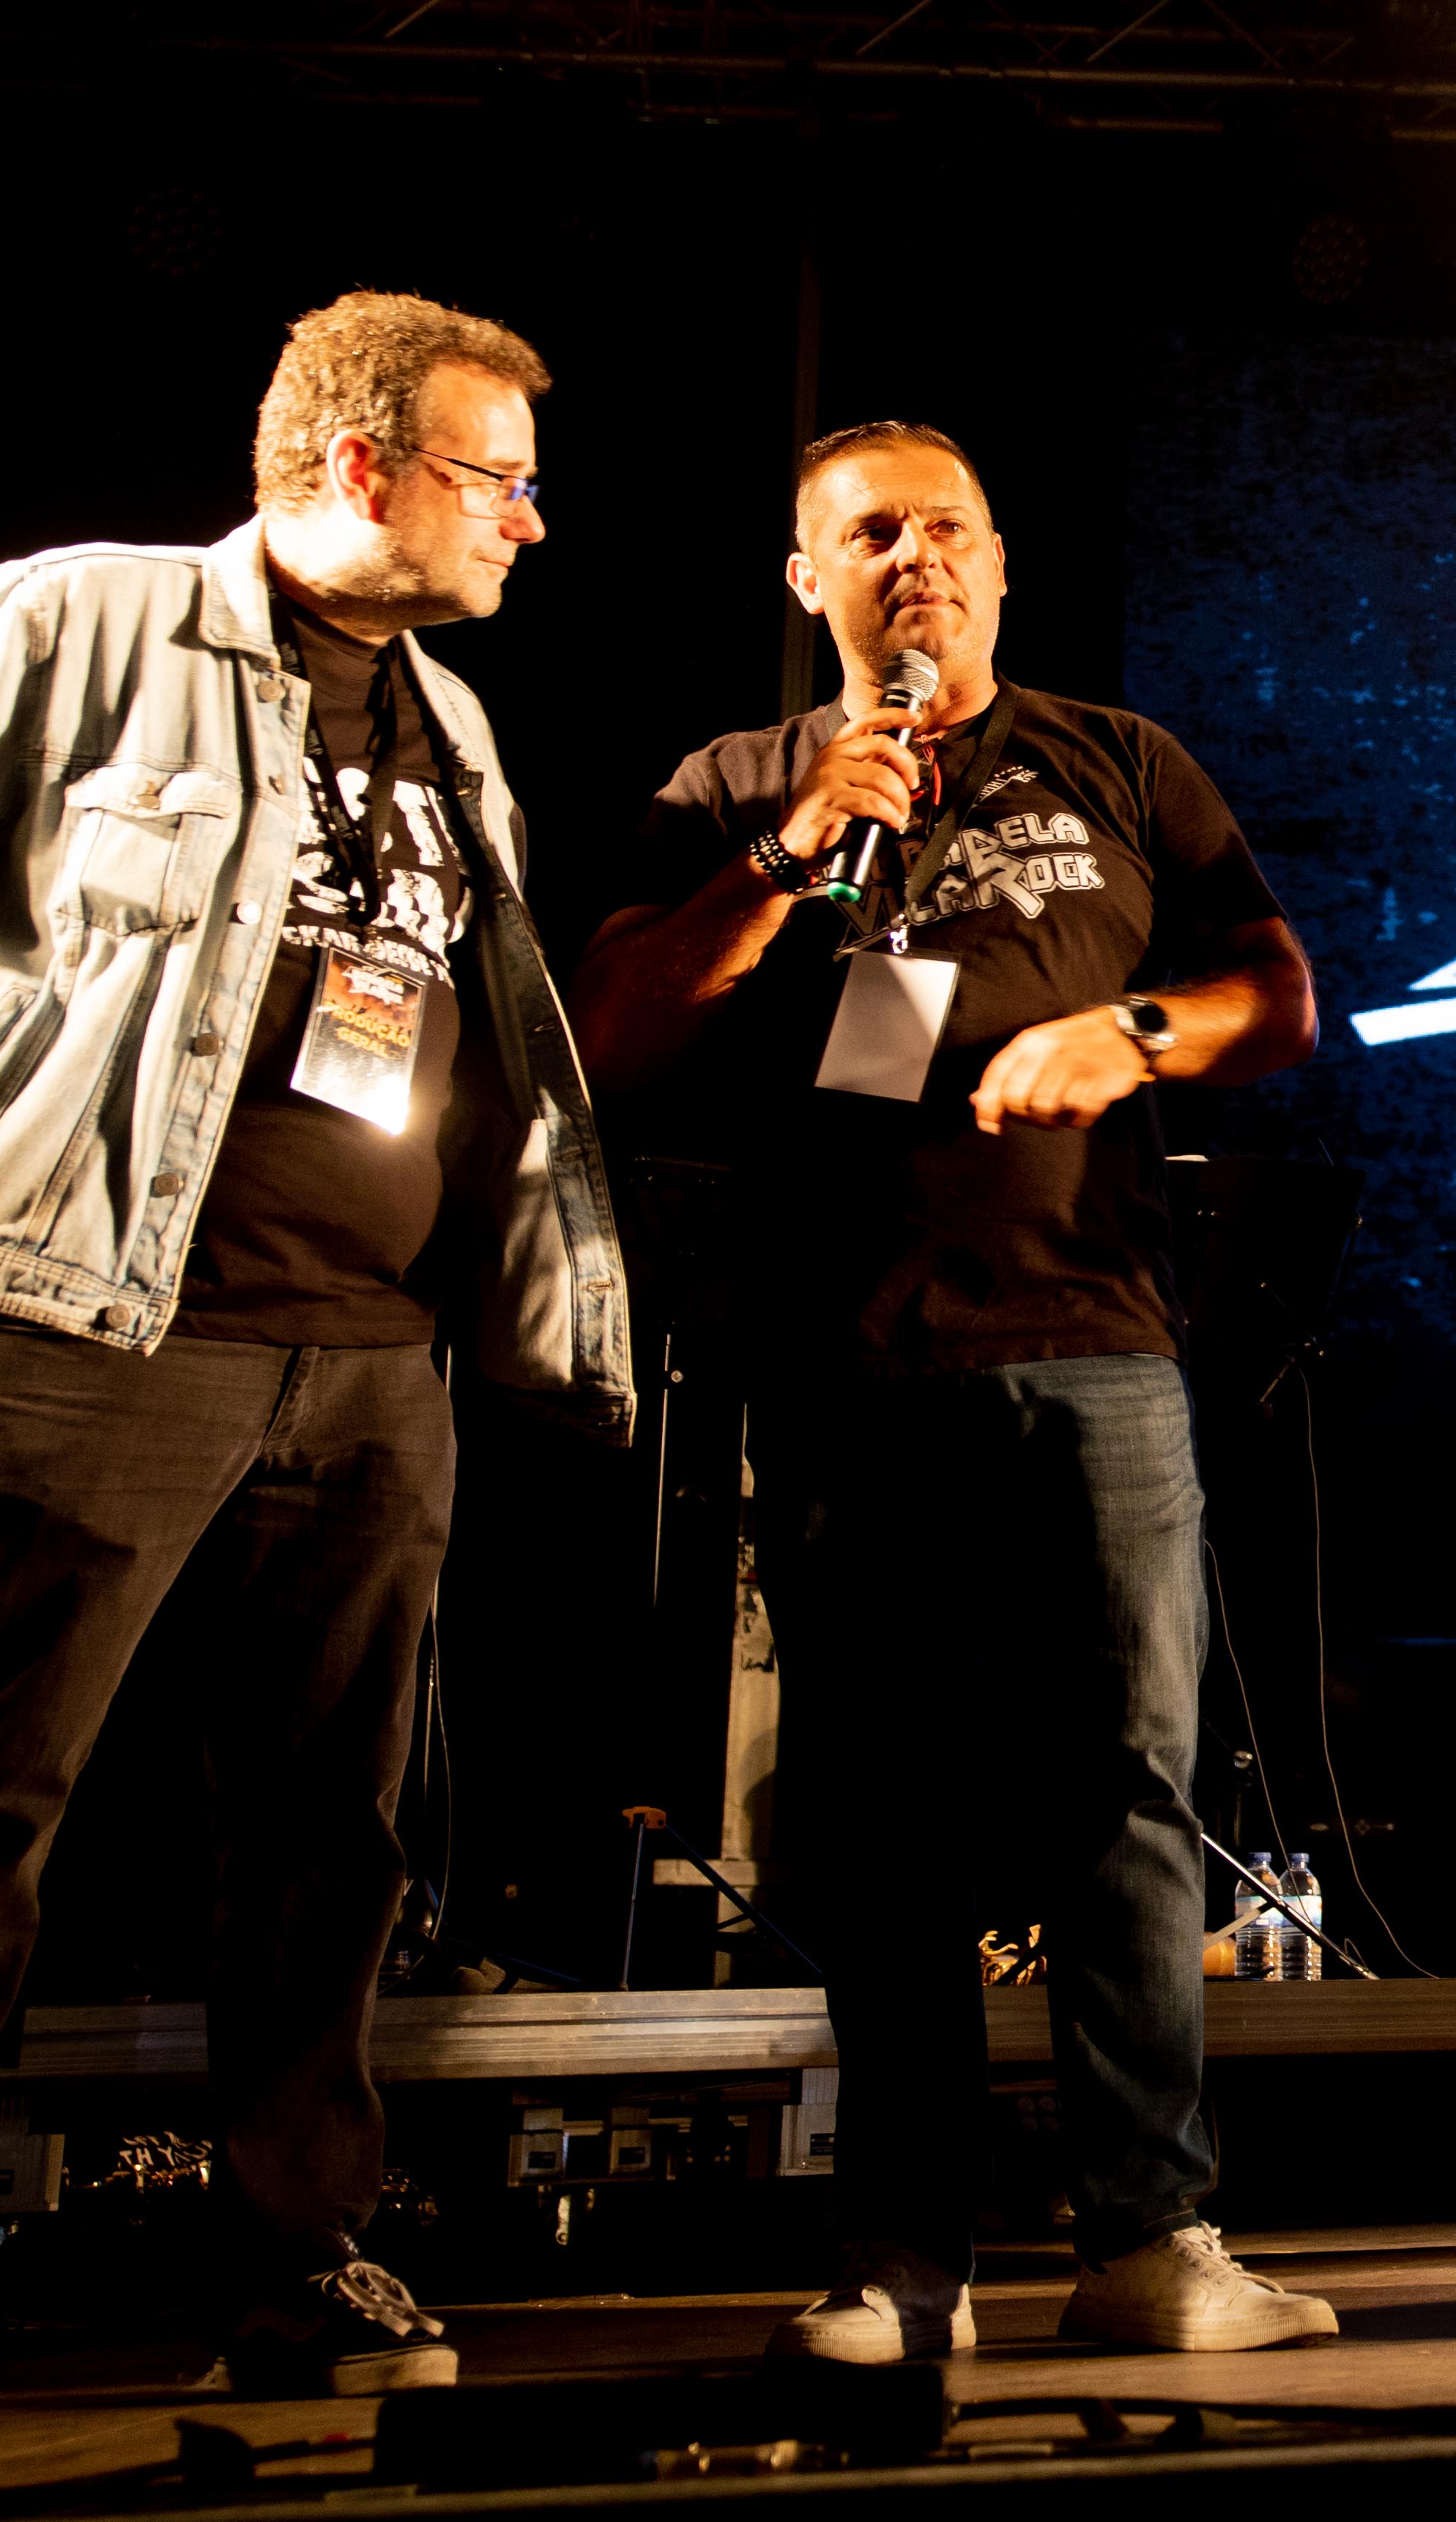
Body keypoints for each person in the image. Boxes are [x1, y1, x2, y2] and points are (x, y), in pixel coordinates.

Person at [0, 290, 631, 2443]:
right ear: (361, 467)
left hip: (373, 1354)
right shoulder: (74, 625)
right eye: (496, 475)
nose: (529, 517)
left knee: (333, 1832)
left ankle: (297, 2255)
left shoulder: (456, 723)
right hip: (102, 1321)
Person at [571, 419, 1335, 2360]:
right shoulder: (729, 782)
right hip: (851, 1354)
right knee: (881, 1810)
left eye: (947, 528)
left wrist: (1130, 1031)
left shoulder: (1121, 758)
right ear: (807, 579)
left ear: (999, 565)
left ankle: (1150, 2237)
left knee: (1127, 1790)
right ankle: (907, 2265)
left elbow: (1277, 998)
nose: (914, 558)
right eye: (871, 533)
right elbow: (613, 1035)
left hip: (1095, 1340)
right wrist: (789, 845)